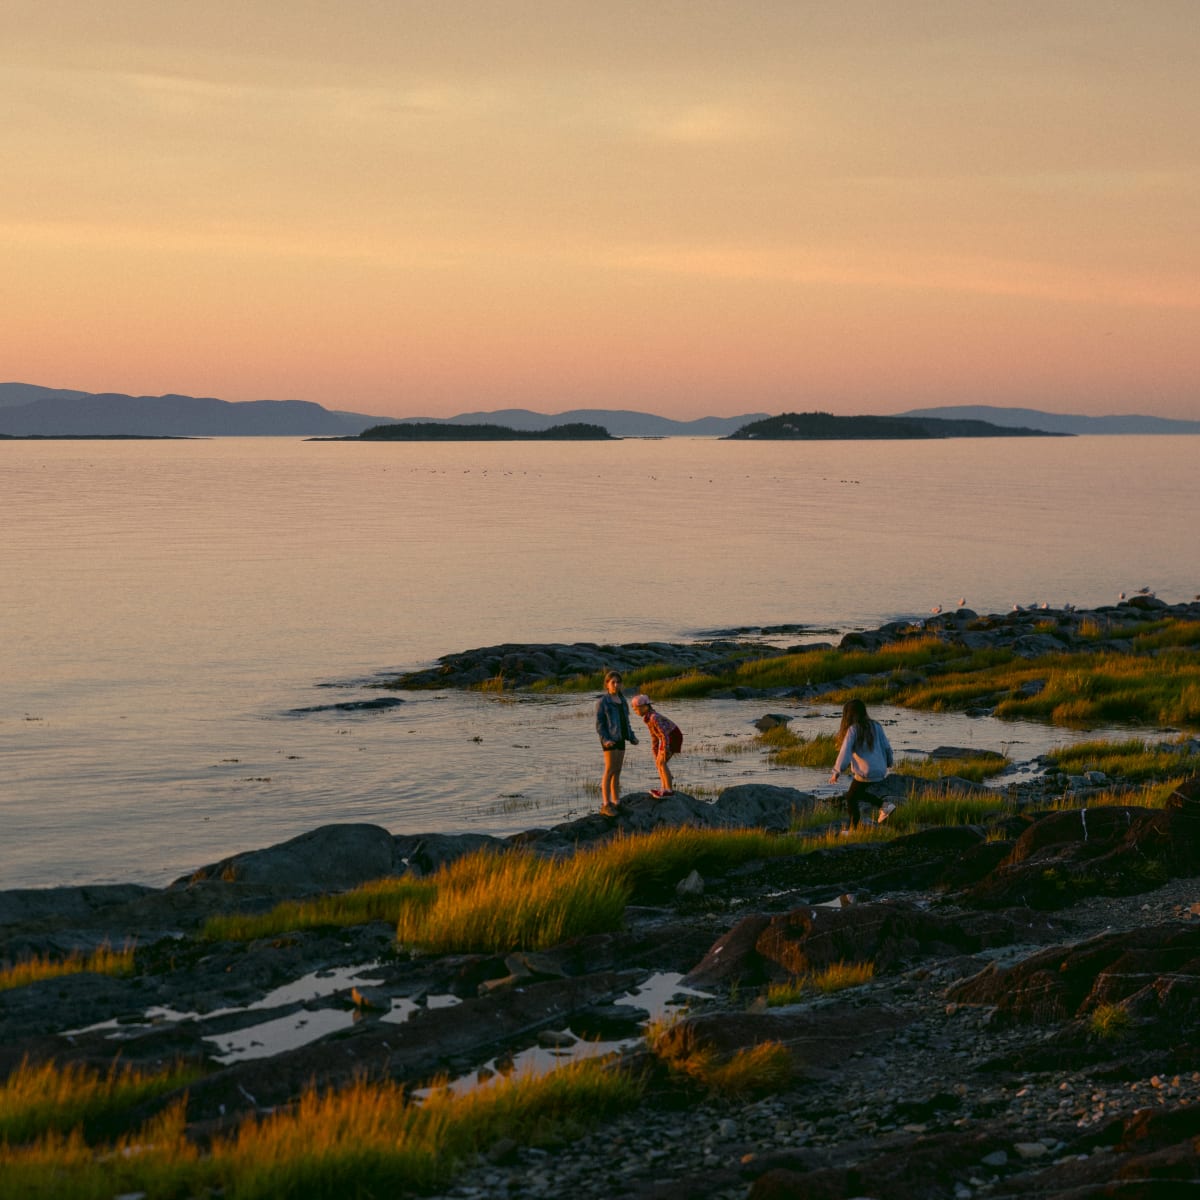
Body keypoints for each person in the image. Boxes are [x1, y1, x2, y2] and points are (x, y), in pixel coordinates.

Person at [829, 698, 894, 828]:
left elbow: (845, 751)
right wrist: (888, 763)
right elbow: (887, 747)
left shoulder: (853, 729)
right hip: (880, 770)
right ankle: (884, 806)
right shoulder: (876, 726)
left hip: (865, 771)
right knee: (856, 794)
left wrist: (836, 772)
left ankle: (854, 827)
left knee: (851, 798)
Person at [595, 670, 636, 816]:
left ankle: (617, 802)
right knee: (609, 770)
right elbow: (600, 725)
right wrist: (606, 740)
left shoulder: (622, 700)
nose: (616, 685)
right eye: (613, 682)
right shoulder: (603, 701)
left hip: (621, 739)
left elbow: (626, 722)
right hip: (610, 740)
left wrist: (632, 737)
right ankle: (606, 804)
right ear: (607, 684)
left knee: (617, 771)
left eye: (618, 682)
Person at [630, 694, 683, 797]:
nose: (636, 712)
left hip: (673, 737)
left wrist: (664, 749)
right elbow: (654, 736)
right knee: (659, 763)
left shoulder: (654, 717)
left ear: (645, 707)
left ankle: (668, 790)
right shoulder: (647, 719)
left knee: (662, 763)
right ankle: (663, 788)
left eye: (637, 709)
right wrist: (655, 752)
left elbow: (664, 734)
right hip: (667, 738)